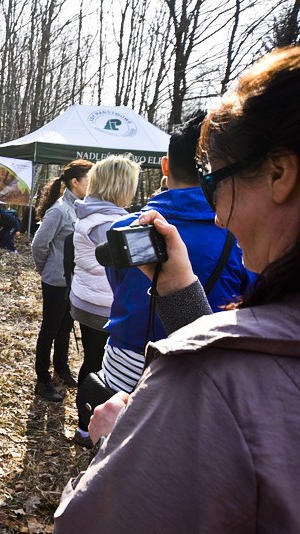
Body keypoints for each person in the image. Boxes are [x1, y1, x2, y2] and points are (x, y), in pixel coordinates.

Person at [54, 46, 300, 531]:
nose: (218, 215)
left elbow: (90, 522)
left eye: (218, 183)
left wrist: (126, 442)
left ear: (279, 174)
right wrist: (181, 294)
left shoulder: (210, 376)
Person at [99, 112, 254, 396]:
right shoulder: (245, 239)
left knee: (112, 433)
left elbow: (116, 285)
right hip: (204, 371)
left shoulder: (126, 228)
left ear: (165, 166)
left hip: (126, 359)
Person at [68, 156, 139, 441]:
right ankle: (87, 425)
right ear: (120, 186)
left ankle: (87, 422)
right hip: (100, 305)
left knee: (92, 361)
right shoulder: (108, 221)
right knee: (98, 366)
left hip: (89, 299)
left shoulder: (94, 213)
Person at [30, 160, 92, 402]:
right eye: (88, 179)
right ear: (74, 182)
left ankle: (61, 367)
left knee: (66, 326)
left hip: (73, 281)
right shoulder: (59, 210)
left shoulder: (80, 207)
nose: (91, 184)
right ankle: (42, 379)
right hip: (56, 281)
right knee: (50, 329)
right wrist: (45, 269)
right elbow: (39, 245)